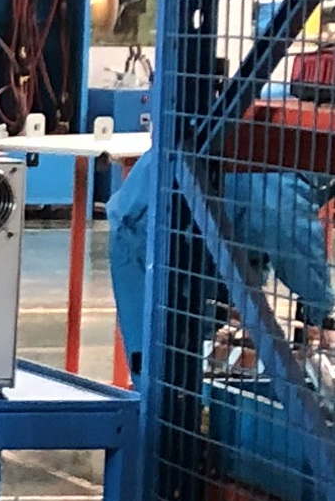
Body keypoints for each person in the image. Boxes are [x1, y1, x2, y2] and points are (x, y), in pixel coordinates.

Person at [109, 154, 333, 378]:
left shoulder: (282, 165)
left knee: (191, 355)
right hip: (147, 237)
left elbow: (250, 241)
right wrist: (321, 312)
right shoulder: (282, 168)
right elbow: (289, 236)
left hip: (189, 237)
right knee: (158, 362)